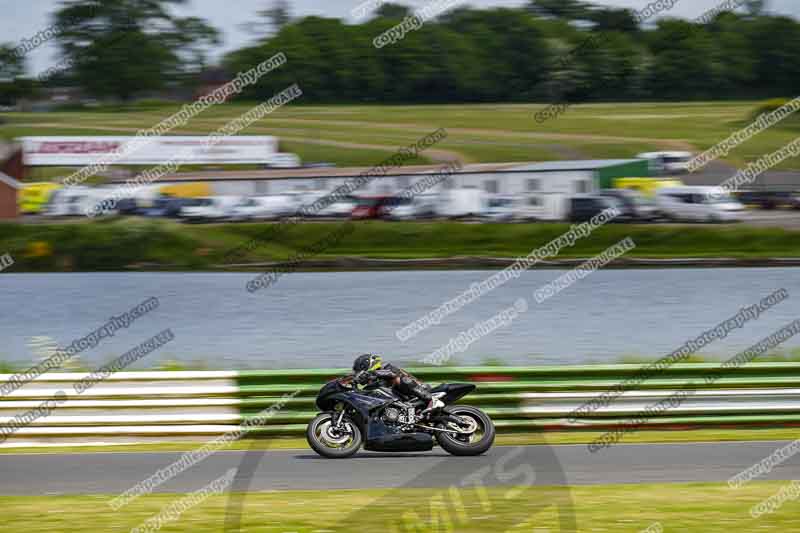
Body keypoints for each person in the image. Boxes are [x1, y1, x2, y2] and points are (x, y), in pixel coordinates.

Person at [352, 354, 444, 413]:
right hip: (401, 403)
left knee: (400, 379)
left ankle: (431, 400)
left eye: (360, 371)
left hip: (417, 392)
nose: (360, 374)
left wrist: (372, 373)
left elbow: (392, 374)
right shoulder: (372, 384)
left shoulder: (387, 369)